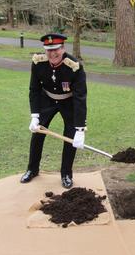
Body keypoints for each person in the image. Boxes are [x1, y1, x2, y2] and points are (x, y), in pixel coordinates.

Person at [20, 33, 87, 189]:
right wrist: (35, 115)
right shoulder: (38, 63)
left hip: (69, 101)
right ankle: (32, 169)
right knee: (37, 134)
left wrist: (80, 128)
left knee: (70, 137)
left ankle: (66, 174)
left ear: (63, 48)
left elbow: (80, 98)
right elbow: (34, 89)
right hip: (47, 100)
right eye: (49, 50)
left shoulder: (74, 66)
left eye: (56, 49)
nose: (52, 53)